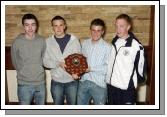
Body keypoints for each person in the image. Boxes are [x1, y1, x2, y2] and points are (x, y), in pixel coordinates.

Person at [106, 14, 146, 105]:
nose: (118, 29)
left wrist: (131, 83)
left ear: (128, 27)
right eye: (116, 26)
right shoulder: (114, 41)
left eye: (121, 26)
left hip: (127, 90)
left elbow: (141, 70)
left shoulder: (136, 46)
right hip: (112, 87)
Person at [43, 15, 81, 105]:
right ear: (52, 27)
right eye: (55, 25)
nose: (58, 28)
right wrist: (58, 63)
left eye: (61, 25)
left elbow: (79, 59)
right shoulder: (47, 42)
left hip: (72, 81)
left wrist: (77, 72)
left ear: (65, 26)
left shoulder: (74, 40)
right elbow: (45, 61)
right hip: (56, 82)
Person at [11, 13, 46, 105]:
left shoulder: (42, 40)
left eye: (33, 24)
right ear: (23, 26)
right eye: (27, 25)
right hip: (24, 83)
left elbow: (43, 58)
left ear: (36, 26)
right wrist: (24, 72)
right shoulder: (17, 42)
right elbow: (15, 61)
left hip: (40, 83)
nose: (30, 28)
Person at [77, 18, 112, 105]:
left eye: (98, 31)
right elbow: (80, 61)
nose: (95, 33)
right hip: (83, 82)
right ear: (90, 30)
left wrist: (91, 68)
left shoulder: (108, 47)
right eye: (93, 30)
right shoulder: (84, 43)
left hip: (99, 84)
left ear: (102, 32)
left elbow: (108, 68)